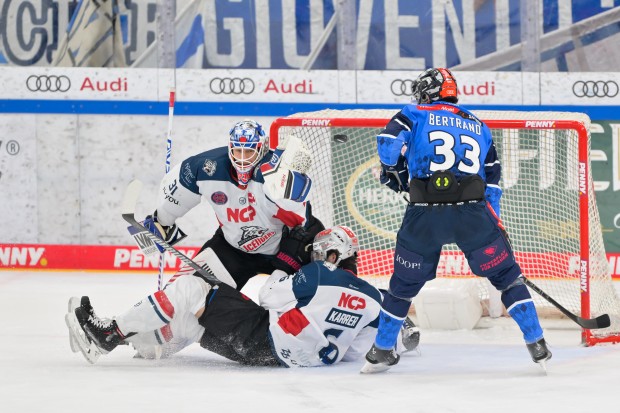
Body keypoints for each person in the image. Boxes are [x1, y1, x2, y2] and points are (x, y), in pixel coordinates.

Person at [361, 68, 550, 373]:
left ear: (426, 92)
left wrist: (393, 172)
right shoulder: (478, 125)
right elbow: (492, 184)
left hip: (425, 215)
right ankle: (537, 342)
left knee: (402, 287)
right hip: (473, 215)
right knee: (507, 278)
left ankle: (382, 350)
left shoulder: (413, 112)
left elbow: (387, 142)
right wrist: (494, 222)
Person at [65, 226, 419, 366]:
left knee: (190, 288)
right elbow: (379, 344)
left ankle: (107, 333)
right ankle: (145, 344)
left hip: (261, 339)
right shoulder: (375, 298)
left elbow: (267, 295)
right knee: (191, 320)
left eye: (315, 252)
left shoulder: (316, 275)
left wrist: (284, 264)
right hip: (272, 359)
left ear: (329, 254)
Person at [143, 119, 323, 291]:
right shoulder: (205, 167)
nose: (243, 159)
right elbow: (177, 194)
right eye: (238, 151)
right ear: (230, 148)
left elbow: (303, 221)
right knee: (184, 292)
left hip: (283, 250)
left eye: (249, 151)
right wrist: (162, 221)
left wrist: (290, 186)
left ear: (261, 149)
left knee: (274, 298)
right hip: (233, 249)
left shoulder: (275, 175)